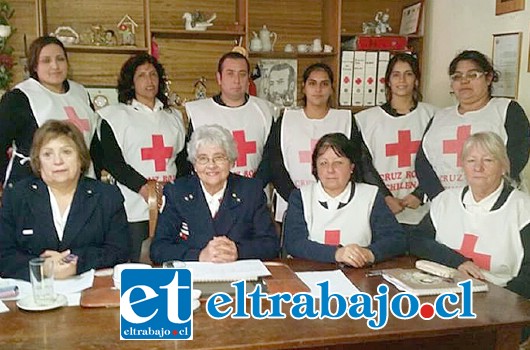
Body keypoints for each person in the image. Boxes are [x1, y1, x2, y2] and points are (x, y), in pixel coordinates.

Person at [410, 132, 530, 341]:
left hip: (502, 303)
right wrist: (457, 261)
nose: (478, 168)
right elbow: (416, 241)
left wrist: (498, 303)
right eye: (471, 160)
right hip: (445, 298)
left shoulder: (523, 208)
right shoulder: (445, 201)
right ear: (462, 165)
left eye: (488, 160)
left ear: (504, 166)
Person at [0, 120, 129, 280]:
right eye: (48, 154)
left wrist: (76, 262)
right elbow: (4, 255)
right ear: (38, 162)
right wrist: (43, 267)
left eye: (66, 152)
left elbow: (120, 251)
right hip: (34, 294)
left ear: (80, 158)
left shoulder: (106, 195)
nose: (58, 161)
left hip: (90, 292)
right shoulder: (17, 196)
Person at [98, 53, 187, 262]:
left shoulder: (173, 116)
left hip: (171, 201)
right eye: (142, 75)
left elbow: (183, 159)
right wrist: (144, 187)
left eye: (153, 74)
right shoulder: (114, 116)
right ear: (131, 81)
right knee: (139, 263)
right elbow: (112, 161)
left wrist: (176, 189)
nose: (149, 80)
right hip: (134, 202)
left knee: (171, 261)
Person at [150, 124, 279, 263]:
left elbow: (270, 245)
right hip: (194, 276)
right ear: (194, 164)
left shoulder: (250, 191)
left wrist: (238, 251)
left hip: (239, 274)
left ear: (231, 162)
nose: (211, 165)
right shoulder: (177, 192)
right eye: (203, 158)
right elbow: (159, 249)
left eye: (219, 157)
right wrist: (199, 256)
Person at [416, 50, 530, 200]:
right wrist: (442, 199)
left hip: (496, 203)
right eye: (457, 77)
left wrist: (483, 195)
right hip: (446, 205)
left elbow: (518, 155)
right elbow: (422, 164)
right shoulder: (440, 116)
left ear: (489, 78)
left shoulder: (506, 110)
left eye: (472, 75)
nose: (464, 81)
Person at [283, 133, 406, 266]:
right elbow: (294, 243)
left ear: (351, 167)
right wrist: (337, 254)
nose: (330, 170)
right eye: (323, 163)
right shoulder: (300, 197)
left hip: (359, 275)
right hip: (310, 273)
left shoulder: (370, 195)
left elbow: (396, 239)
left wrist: (368, 253)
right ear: (315, 168)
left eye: (338, 163)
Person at [256, 63, 359, 221]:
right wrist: (296, 199)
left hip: (337, 207)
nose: (318, 90)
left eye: (324, 84)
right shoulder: (286, 120)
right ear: (303, 87)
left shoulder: (345, 120)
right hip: (293, 204)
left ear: (332, 88)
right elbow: (274, 164)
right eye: (312, 83)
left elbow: (358, 164)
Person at [0, 36, 102, 193]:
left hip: (80, 187)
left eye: (60, 59)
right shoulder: (19, 97)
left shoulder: (80, 94)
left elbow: (93, 146)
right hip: (32, 189)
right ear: (34, 66)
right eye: (46, 60)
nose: (55, 66)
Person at [355, 53, 437, 240]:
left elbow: (439, 160)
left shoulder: (433, 115)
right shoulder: (365, 120)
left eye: (408, 74)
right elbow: (363, 164)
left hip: (422, 209)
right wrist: (385, 197)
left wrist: (420, 193)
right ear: (388, 81)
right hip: (382, 207)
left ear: (416, 80)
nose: (402, 80)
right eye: (396, 74)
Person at [185, 51, 276, 178]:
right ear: (219, 78)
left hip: (255, 192)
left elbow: (271, 158)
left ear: (248, 79)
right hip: (212, 192)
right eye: (230, 73)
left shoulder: (264, 110)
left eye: (242, 74)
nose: (237, 80)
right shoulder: (199, 112)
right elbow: (190, 162)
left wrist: (253, 186)